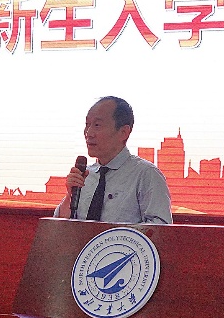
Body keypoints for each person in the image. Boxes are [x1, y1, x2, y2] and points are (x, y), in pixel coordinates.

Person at [55, 96, 172, 224]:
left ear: (123, 132)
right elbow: (58, 227)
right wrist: (70, 195)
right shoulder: (84, 176)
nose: (89, 133)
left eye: (97, 125)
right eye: (87, 125)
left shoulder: (146, 174)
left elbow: (160, 229)